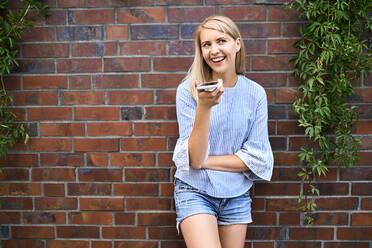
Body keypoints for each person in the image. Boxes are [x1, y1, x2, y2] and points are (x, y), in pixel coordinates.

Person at [172, 15, 274, 248]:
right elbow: (195, 159)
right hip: (194, 190)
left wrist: (205, 161)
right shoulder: (188, 90)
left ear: (237, 44)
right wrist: (204, 107)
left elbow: (255, 158)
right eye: (206, 44)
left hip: (236, 194)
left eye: (221, 41)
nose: (214, 50)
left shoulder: (255, 94)